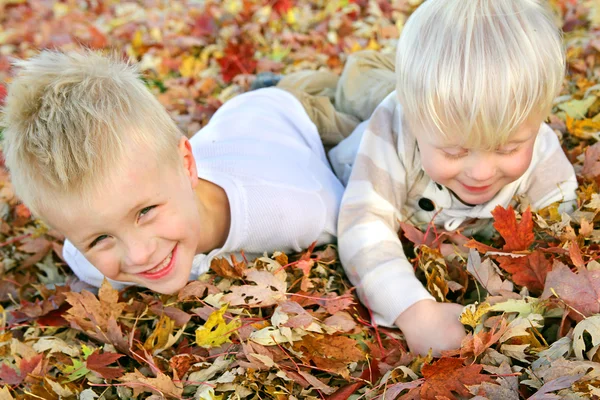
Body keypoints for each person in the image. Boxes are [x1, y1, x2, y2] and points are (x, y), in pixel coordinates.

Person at [277, 0, 577, 356]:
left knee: (385, 85)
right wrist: (415, 312)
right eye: (454, 152)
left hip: (426, 101)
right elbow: (363, 224)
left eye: (508, 148)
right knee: (331, 109)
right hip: (358, 130)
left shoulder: (535, 138)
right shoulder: (394, 127)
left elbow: (561, 221)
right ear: (412, 119)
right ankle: (311, 80)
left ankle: (378, 74)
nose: (481, 172)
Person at [1, 50, 345, 293]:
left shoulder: (299, 209)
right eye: (100, 239)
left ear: (186, 165)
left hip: (296, 111)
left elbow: (365, 206)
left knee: (371, 91)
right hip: (230, 132)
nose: (138, 255)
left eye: (145, 212)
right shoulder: (88, 262)